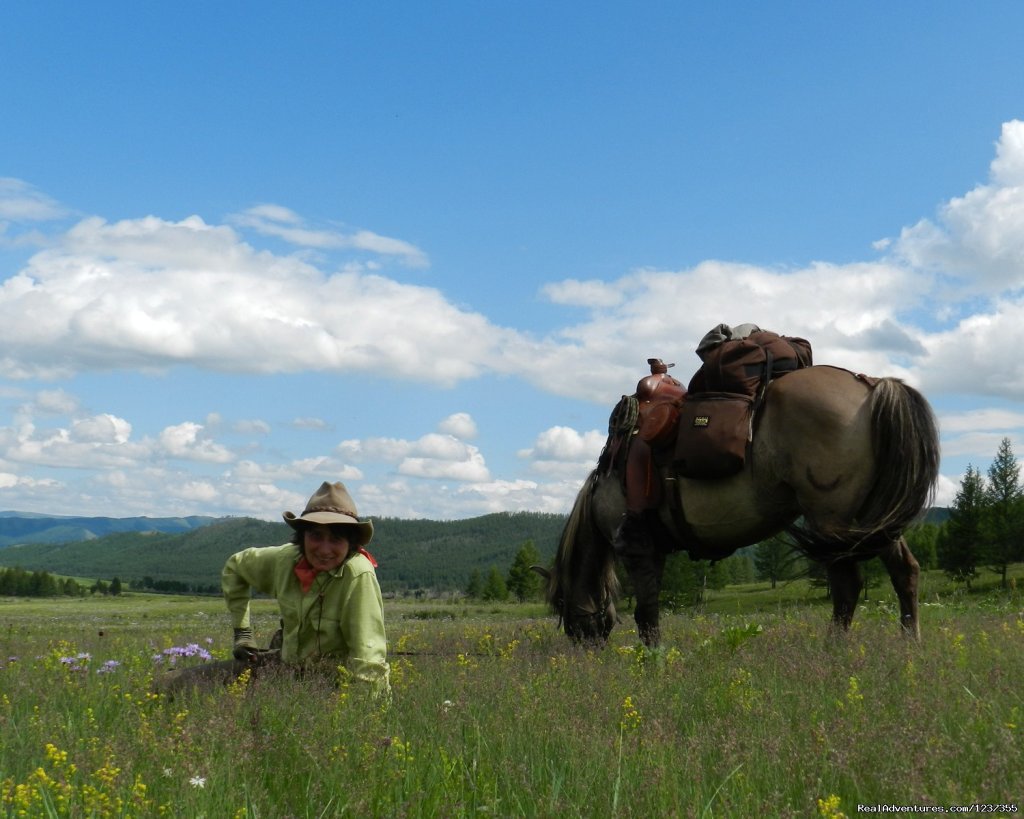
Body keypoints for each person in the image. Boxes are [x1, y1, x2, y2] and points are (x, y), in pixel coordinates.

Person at [157, 481, 391, 701]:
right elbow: (235, 567)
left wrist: (367, 720)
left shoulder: (358, 575)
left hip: (331, 685)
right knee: (166, 685)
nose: (324, 549)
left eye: (336, 539)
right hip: (284, 669)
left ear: (351, 544)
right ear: (302, 536)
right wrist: (243, 633)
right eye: (315, 536)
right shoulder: (285, 559)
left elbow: (369, 656)